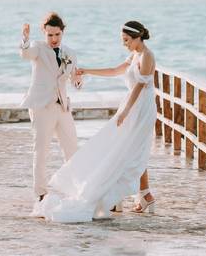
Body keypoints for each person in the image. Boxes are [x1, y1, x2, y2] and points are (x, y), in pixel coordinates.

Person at [33, 20, 157, 222]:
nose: (124, 44)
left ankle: (137, 195)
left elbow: (139, 88)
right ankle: (142, 196)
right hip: (132, 105)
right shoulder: (135, 54)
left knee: (135, 149)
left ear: (137, 38)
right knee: (130, 148)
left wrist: (125, 112)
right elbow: (115, 70)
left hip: (141, 108)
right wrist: (88, 70)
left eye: (126, 40)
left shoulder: (147, 56)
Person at [19, 12, 83, 204]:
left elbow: (74, 82)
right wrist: (25, 39)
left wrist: (79, 80)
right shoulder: (37, 48)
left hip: (62, 106)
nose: (53, 39)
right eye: (49, 35)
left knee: (72, 148)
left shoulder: (70, 53)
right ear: (44, 33)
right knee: (41, 149)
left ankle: (76, 189)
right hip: (41, 106)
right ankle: (40, 192)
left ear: (62, 32)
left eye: (57, 35)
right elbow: (25, 53)